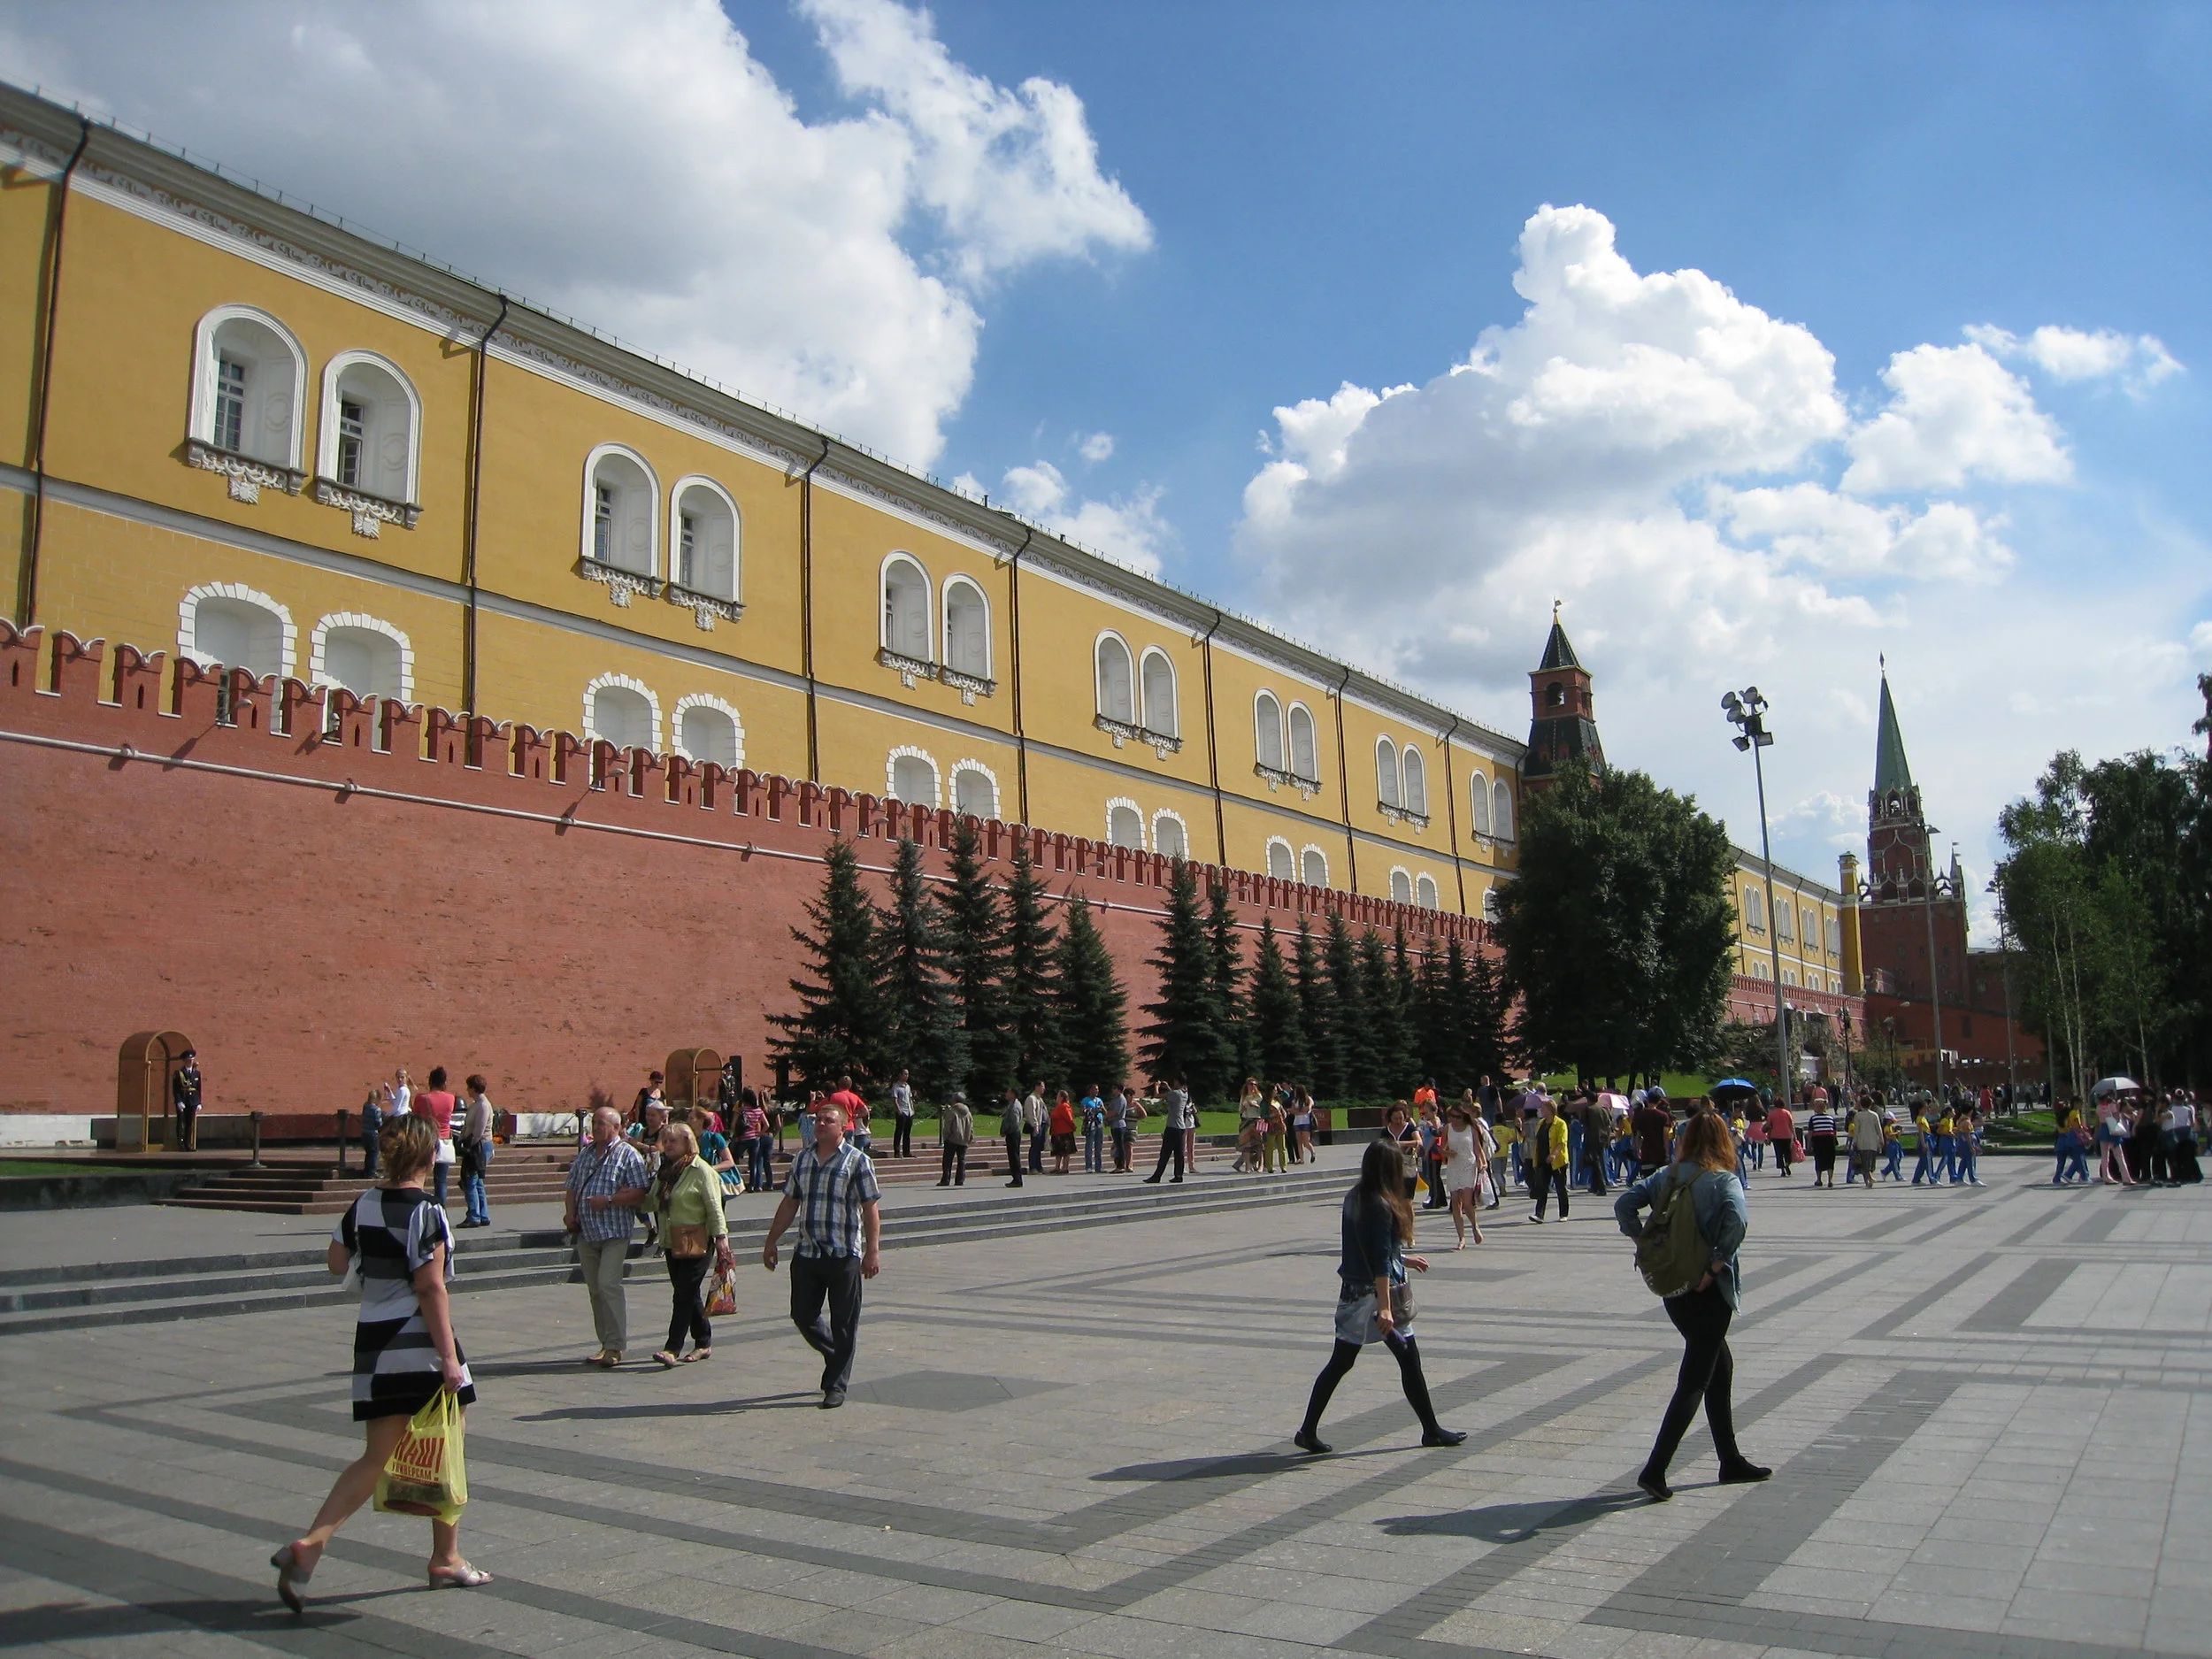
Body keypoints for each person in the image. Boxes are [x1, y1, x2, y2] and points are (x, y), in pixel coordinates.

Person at [273, 1112, 488, 1614]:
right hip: (418, 1342)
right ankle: (446, 1556)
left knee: (374, 1458)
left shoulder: (363, 1203)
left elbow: (335, 1262)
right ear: (426, 1155)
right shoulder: (428, 1210)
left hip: (373, 1343)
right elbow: (431, 1286)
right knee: (449, 1445)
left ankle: (313, 1543)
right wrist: (450, 1359)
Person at [1613, 1110, 1769, 1502]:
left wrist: (1643, 1242)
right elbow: (1737, 1222)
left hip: (1673, 1286)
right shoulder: (1722, 1180)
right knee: (1695, 1378)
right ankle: (1655, 1469)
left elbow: (1624, 1205)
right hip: (1706, 1290)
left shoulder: (1667, 1175)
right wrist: (1716, 1264)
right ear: (1723, 1141)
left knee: (1720, 1366)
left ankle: (1729, 1459)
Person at [1292, 1138, 1466, 1455]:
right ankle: (1431, 1430)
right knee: (1407, 1360)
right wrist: (1385, 1308)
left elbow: (1369, 1248)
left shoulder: (1355, 1197)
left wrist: (1403, 1258)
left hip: (1354, 1292)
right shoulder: (1381, 1204)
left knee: (1343, 1362)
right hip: (1376, 1296)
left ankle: (1308, 1430)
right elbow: (1379, 1258)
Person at [762, 1099, 882, 1409]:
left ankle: (836, 1385)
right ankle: (835, 1353)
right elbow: (790, 1203)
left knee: (844, 1321)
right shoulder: (802, 1159)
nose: (820, 1124)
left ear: (844, 1127)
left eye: (827, 1120)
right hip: (807, 1251)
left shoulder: (857, 1161)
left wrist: (872, 1251)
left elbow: (870, 1208)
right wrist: (772, 1241)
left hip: (843, 1254)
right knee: (802, 1314)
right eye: (817, 1120)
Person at [641, 1121, 733, 1367]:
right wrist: (625, 1197)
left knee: (683, 1294)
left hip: (698, 1240)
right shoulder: (667, 1172)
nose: (667, 1145)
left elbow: (714, 1206)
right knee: (687, 1294)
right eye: (665, 1140)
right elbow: (651, 1201)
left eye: (673, 1141)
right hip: (672, 1240)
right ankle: (703, 1341)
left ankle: (672, 1348)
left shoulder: (701, 1170)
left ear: (687, 1142)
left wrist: (721, 1237)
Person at [564, 1107, 649, 1368]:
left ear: (616, 1126)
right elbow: (572, 1187)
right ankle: (604, 1342)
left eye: (601, 1123)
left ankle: (615, 1346)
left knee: (608, 1284)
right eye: (594, 1122)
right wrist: (570, 1215)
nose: (595, 1127)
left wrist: (610, 1200)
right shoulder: (586, 1154)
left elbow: (640, 1193)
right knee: (595, 1289)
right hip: (587, 1232)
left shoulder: (628, 1155)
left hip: (614, 1231)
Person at [412, 1067, 459, 1210]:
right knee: (441, 1181)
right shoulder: (451, 1098)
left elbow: (416, 1117)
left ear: (430, 1081)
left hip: (426, 1139)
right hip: (444, 1140)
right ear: (444, 1081)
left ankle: (417, 1207)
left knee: (419, 1175)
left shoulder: (422, 1098)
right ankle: (441, 1210)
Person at [1444, 1104, 1489, 1249]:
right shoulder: (1448, 1128)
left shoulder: (1471, 1128)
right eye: (1452, 1117)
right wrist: (1446, 1153)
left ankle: (1475, 1226)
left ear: (1463, 1116)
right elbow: (1440, 1147)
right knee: (1455, 1202)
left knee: (1467, 1201)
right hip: (1453, 1166)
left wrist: (1482, 1162)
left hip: (1468, 1165)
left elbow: (1477, 1147)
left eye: (1458, 1117)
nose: (1455, 1120)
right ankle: (1461, 1238)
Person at [457, 1074, 495, 1228]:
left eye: (469, 1087)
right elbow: (467, 1126)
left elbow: (478, 1131)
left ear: (474, 1088)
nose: (467, 1090)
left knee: (470, 1180)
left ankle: (474, 1215)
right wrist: (460, 1139)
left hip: (479, 1145)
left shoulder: (484, 1105)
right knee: (477, 1181)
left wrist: (468, 1145)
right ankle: (483, 1215)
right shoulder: (475, 1105)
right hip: (474, 1144)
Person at [1527, 1094, 1571, 1223]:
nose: (1541, 1110)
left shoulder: (1560, 1124)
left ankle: (1564, 1213)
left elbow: (1562, 1142)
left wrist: (1554, 1154)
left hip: (1557, 1161)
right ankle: (1539, 1214)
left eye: (1543, 1108)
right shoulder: (1540, 1123)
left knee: (1560, 1188)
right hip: (1542, 1160)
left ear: (1551, 1110)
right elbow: (1537, 1141)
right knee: (1542, 1187)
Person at [1143, 1079, 1192, 1184]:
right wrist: (1168, 1088)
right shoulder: (1185, 1093)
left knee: (1165, 1153)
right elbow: (1173, 1095)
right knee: (1179, 1153)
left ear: (1178, 1081)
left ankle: (1157, 1176)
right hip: (1181, 1128)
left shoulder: (1175, 1093)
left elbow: (1157, 1095)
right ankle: (1178, 1175)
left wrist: (1157, 1086)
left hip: (1172, 1128)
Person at [1632, 1092, 1672, 1181]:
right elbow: (1665, 1135)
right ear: (1659, 1102)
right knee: (1661, 1179)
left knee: (1648, 1179)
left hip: (1646, 1151)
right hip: (1660, 1152)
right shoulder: (1663, 1116)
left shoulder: (1641, 1115)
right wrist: (1667, 1153)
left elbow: (1638, 1134)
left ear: (1647, 1100)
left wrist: (1637, 1149)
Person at [938, 1089, 973, 1187]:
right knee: (961, 1160)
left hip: (952, 1139)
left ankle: (946, 1179)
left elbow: (948, 1125)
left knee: (947, 1160)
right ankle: (960, 1180)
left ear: (955, 1100)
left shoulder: (952, 1110)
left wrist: (946, 1136)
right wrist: (970, 1137)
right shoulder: (968, 1112)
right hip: (964, 1140)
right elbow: (971, 1126)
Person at [171, 1048, 203, 1152]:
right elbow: (176, 1089)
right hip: (183, 1100)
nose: (190, 1061)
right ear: (184, 1061)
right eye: (188, 1060)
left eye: (192, 1060)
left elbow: (198, 1089)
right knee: (181, 1123)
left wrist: (199, 1102)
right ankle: (181, 1145)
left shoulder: (196, 1073)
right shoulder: (179, 1073)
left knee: (189, 1123)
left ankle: (188, 1144)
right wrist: (179, 1101)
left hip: (192, 1101)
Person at [1849, 1099, 1882, 1194]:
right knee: (1871, 1161)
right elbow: (1878, 1129)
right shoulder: (1874, 1115)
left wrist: (1854, 1142)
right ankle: (1869, 1180)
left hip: (1861, 1141)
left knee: (1864, 1161)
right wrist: (1881, 1140)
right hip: (1872, 1142)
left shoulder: (1857, 1116)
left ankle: (1868, 1180)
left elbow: (1856, 1130)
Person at [1804, 1097, 1839, 1188]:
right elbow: (1834, 1132)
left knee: (1819, 1159)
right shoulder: (1831, 1118)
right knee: (1830, 1160)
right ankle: (1830, 1180)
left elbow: (1810, 1133)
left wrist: (1809, 1144)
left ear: (1818, 1108)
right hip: (1830, 1140)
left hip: (1818, 1140)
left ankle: (1819, 1179)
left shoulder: (1813, 1119)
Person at [743, 1090, 773, 1192]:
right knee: (767, 1162)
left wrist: (759, 1133)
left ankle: (757, 1184)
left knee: (758, 1161)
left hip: (754, 1136)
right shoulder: (772, 1110)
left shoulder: (750, 1110)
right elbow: (774, 1124)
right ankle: (770, 1183)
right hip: (768, 1136)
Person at [999, 1087, 1025, 1187]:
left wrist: (1006, 1131)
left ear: (1013, 1094)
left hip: (1013, 1134)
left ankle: (1017, 1179)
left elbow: (1014, 1123)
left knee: (1014, 1157)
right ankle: (1016, 1178)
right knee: (1013, 1156)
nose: (1006, 1094)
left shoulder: (1014, 1106)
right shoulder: (1012, 1104)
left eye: (1008, 1092)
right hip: (1013, 1133)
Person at [358, 1082, 386, 1178]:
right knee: (374, 1153)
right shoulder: (376, 1110)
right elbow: (378, 1123)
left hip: (365, 1132)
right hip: (373, 1134)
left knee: (368, 1153)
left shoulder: (365, 1107)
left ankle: (367, 1171)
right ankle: (372, 1172)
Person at [1764, 1097, 1794, 1179]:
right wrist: (1794, 1136)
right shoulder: (1787, 1113)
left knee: (1779, 1154)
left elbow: (1769, 1126)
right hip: (1787, 1136)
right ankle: (1787, 1164)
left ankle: (1782, 1170)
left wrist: (1768, 1137)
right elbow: (1791, 1125)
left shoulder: (1772, 1114)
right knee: (1788, 1153)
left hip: (1776, 1136)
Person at [1048, 1089, 1077, 1175]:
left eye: (1058, 1096)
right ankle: (1057, 1167)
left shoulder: (1064, 1106)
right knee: (1058, 1150)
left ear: (1062, 1097)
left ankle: (1065, 1167)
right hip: (1057, 1132)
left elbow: (1069, 1119)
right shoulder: (1058, 1107)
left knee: (1065, 1151)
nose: (1056, 1097)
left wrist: (1073, 1127)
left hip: (1065, 1132)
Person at [889, 1068, 916, 1160]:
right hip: (902, 1111)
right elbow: (895, 1099)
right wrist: (898, 1110)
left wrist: (912, 1109)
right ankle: (897, 1152)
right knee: (899, 1132)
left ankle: (906, 1151)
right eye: (905, 1074)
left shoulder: (908, 1086)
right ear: (900, 1075)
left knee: (907, 1133)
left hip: (909, 1112)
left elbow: (910, 1098)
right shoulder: (896, 1086)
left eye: (907, 1074)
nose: (906, 1076)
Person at [1024, 1080, 1048, 1175]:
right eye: (1042, 1086)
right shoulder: (1031, 1099)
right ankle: (1033, 1167)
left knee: (1039, 1147)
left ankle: (1039, 1166)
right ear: (1037, 1087)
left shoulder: (1039, 1099)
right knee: (1035, 1146)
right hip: (1036, 1126)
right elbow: (1031, 1113)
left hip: (1042, 1125)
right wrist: (1035, 1125)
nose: (1044, 1088)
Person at [1080, 1086, 1106, 1174]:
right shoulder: (1086, 1100)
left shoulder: (1099, 1100)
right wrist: (1090, 1110)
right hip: (1091, 1124)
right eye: (1095, 1089)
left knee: (1099, 1146)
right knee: (1089, 1145)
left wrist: (1102, 1109)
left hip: (1099, 1123)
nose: (1097, 1091)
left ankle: (1098, 1166)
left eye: (1097, 1089)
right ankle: (1089, 1166)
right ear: (1090, 1090)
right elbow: (1082, 1111)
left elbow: (1105, 1112)